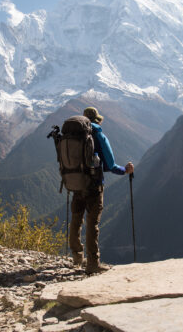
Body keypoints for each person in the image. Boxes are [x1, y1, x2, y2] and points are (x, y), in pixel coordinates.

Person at [69, 106, 134, 274]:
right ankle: (92, 263)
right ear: (96, 120)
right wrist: (124, 170)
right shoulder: (98, 135)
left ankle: (77, 257)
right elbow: (110, 165)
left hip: (75, 182)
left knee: (76, 219)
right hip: (94, 185)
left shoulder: (72, 134)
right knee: (92, 223)